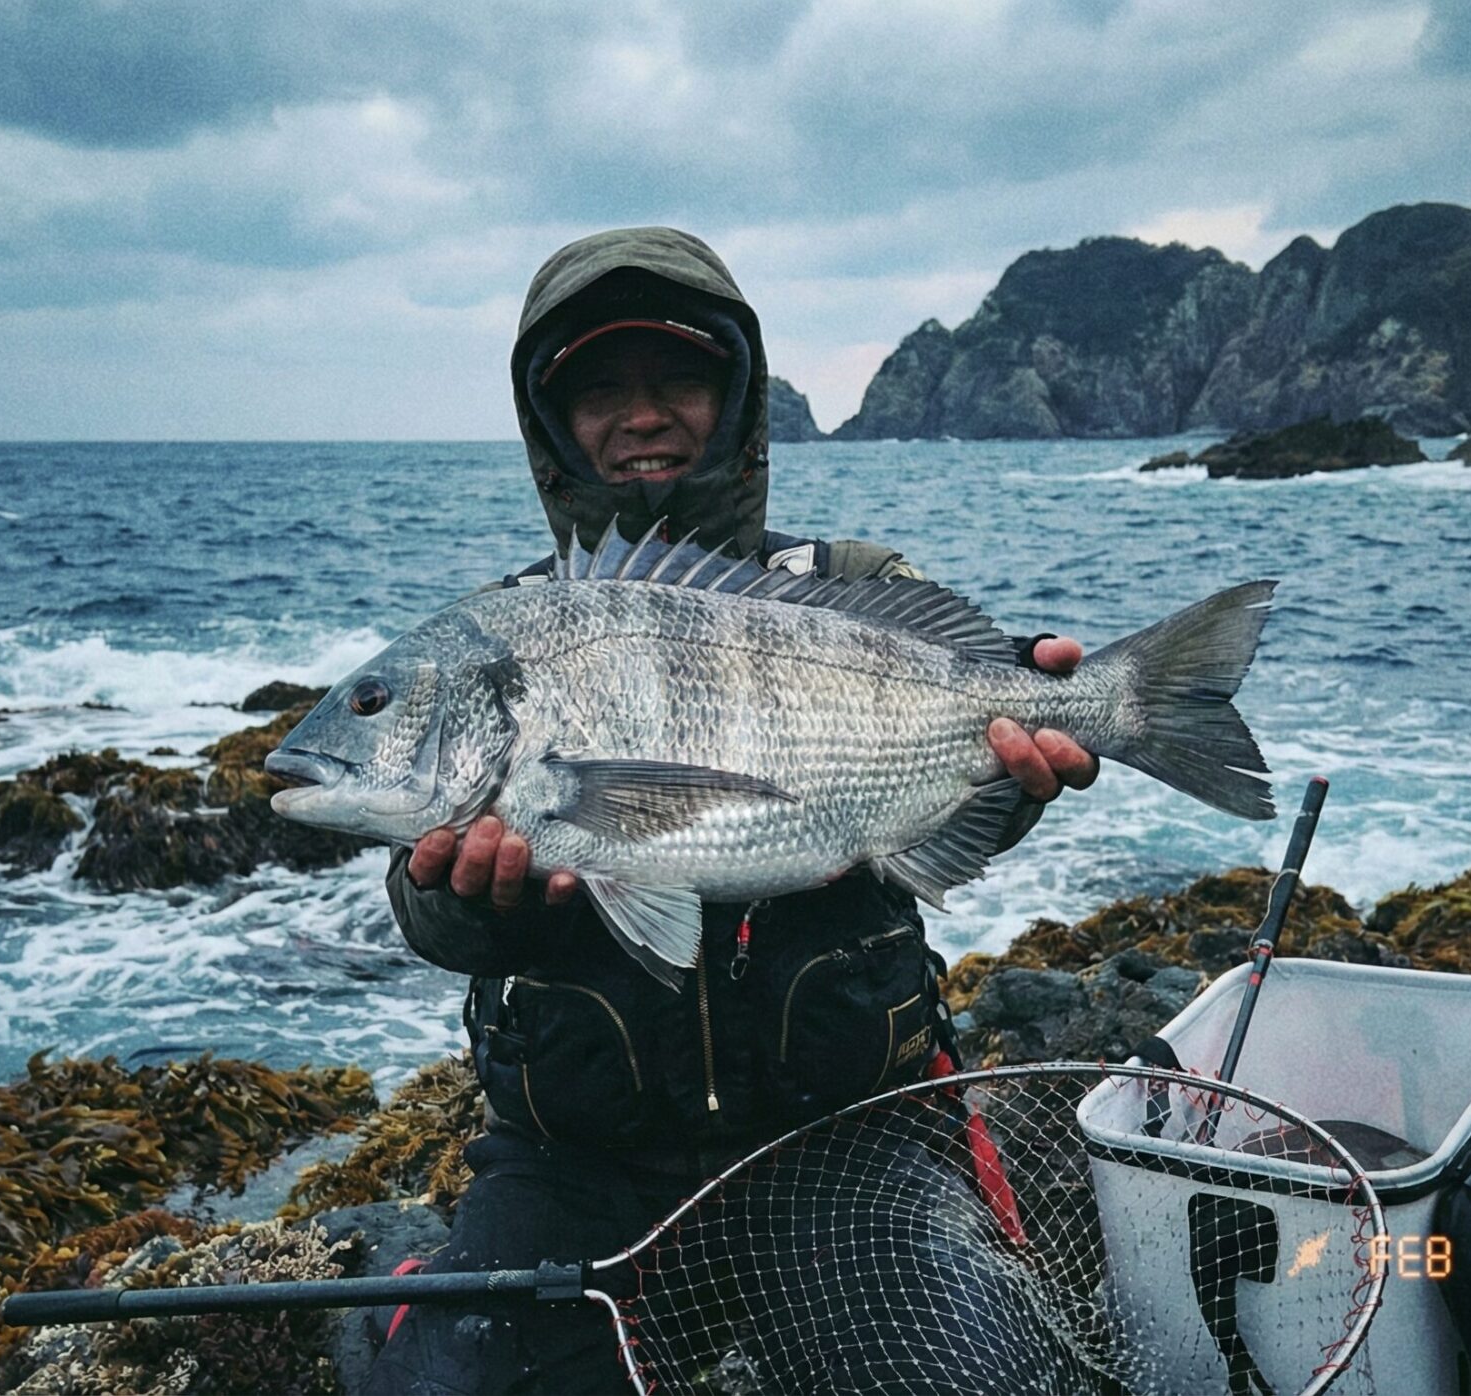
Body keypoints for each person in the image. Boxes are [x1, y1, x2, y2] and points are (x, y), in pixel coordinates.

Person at [365, 226, 1099, 1395]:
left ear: (739, 397)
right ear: (550, 426)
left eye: (679, 378)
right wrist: (463, 906)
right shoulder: (506, 631)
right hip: (575, 1158)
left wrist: (1014, 777)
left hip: (852, 1130)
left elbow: (944, 807)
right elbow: (427, 911)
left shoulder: (858, 587)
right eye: (599, 388)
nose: (642, 414)